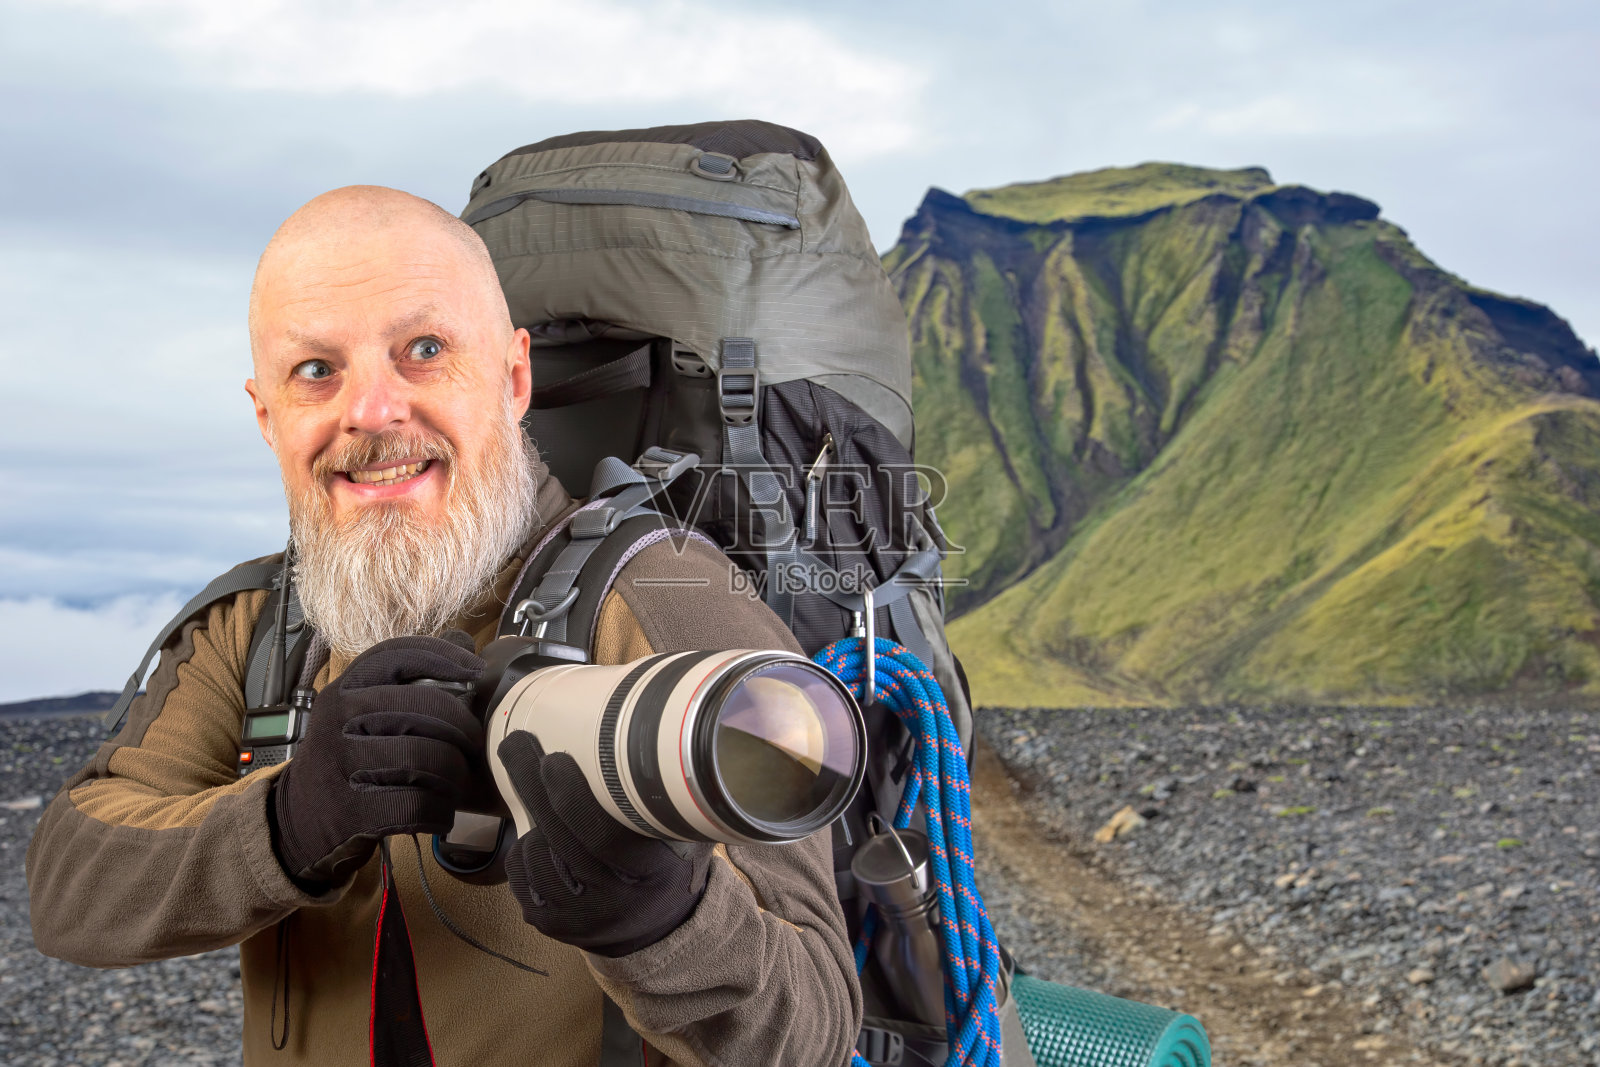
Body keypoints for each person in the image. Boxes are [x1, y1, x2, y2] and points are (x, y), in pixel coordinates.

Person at [26, 186, 863, 1067]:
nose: (373, 411)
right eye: (317, 371)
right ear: (267, 417)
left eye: (423, 350)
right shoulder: (257, 629)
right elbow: (71, 887)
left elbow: (813, 1033)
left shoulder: (667, 603)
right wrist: (288, 820)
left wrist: (661, 922)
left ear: (512, 378)